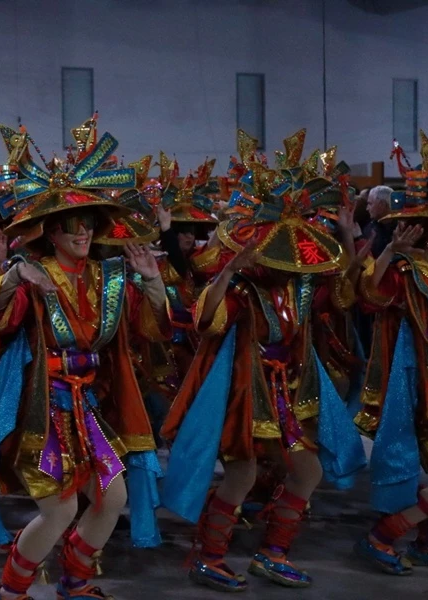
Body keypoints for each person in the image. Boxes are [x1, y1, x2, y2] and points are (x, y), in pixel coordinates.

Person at [0, 122, 172, 600]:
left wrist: (152, 282)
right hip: (41, 411)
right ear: (51, 232)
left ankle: (75, 581)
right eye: (73, 224)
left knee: (113, 499)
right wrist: (12, 278)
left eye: (89, 222)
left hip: (87, 409)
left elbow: (149, 330)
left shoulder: (109, 277)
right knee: (59, 510)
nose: (83, 232)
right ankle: (11, 591)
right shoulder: (33, 275)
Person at [160, 130, 366, 592]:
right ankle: (209, 556)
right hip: (247, 396)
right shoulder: (243, 290)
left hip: (288, 394)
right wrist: (229, 270)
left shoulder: (303, 286)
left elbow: (349, 298)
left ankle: (273, 553)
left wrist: (350, 241)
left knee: (307, 470)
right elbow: (206, 322)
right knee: (242, 473)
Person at [355, 134, 428, 573]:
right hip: (427, 393)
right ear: (423, 231)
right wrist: (389, 251)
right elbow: (366, 296)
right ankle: (381, 538)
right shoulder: (407, 271)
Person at [363, 185, 395, 257]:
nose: (367, 209)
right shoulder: (369, 229)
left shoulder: (402, 229)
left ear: (382, 204)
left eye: (370, 204)